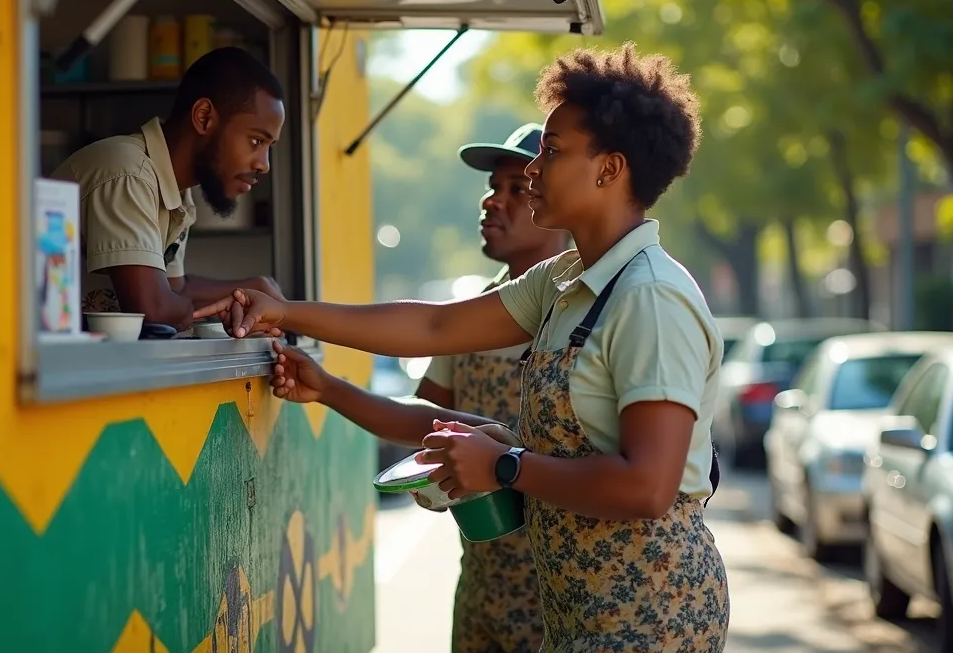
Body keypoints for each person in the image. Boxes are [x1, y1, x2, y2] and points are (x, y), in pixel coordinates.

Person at [202, 42, 730, 651]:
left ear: (609, 169)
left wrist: (505, 464)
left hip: (650, 618)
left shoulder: (651, 298)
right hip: (581, 611)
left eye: (551, 153)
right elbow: (435, 328)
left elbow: (648, 486)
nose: (532, 172)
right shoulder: (564, 283)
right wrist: (288, 312)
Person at [270, 123, 567, 652]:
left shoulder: (582, 309)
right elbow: (426, 419)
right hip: (482, 584)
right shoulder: (480, 309)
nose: (492, 201)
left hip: (556, 596)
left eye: (515, 189)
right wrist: (330, 389)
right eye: (491, 187)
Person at [51, 47, 285, 335]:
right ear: (203, 117)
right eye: (256, 141)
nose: (264, 165)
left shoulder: (176, 189)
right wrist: (227, 311)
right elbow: (154, 310)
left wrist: (251, 291)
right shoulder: (128, 173)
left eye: (268, 147)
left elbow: (176, 288)